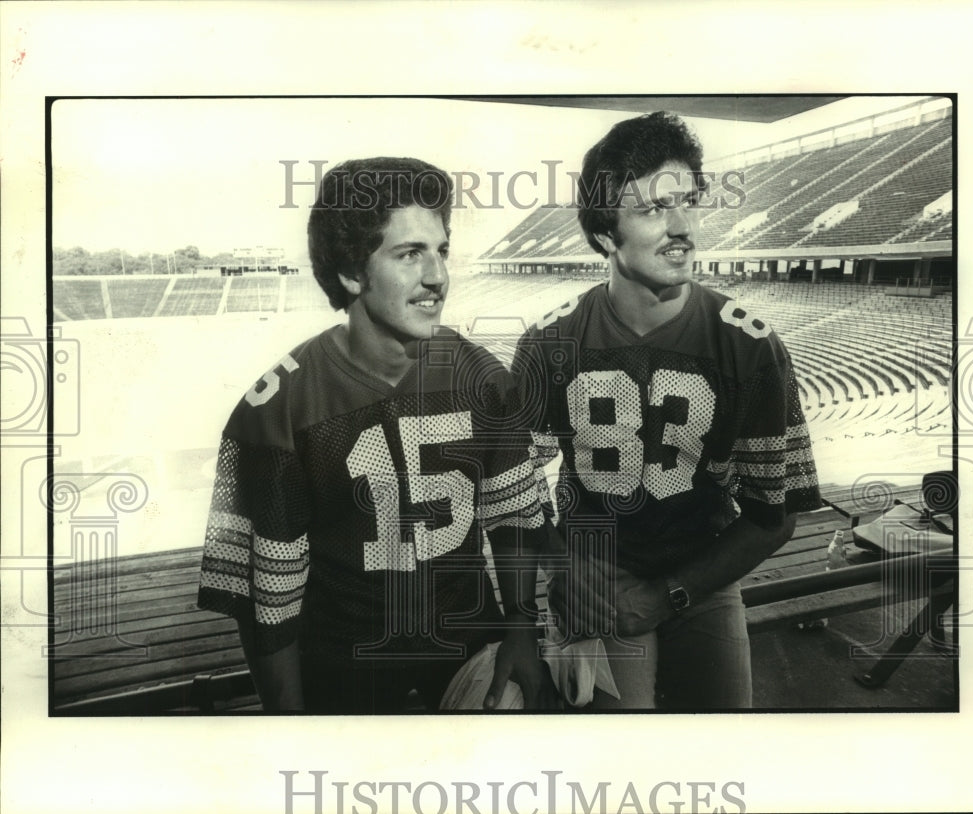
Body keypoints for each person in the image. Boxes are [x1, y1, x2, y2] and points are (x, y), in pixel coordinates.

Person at [197, 157, 556, 713]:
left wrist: (520, 633)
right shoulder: (277, 411)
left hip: (469, 647)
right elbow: (267, 601)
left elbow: (513, 521)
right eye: (410, 254)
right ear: (350, 272)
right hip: (344, 670)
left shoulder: (481, 376)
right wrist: (286, 726)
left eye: (441, 251)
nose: (436, 276)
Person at [512, 112, 823, 710]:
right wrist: (564, 565)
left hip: (704, 572)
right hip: (595, 572)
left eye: (688, 203)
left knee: (723, 736)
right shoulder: (550, 344)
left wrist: (668, 595)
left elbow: (773, 515)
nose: (683, 227)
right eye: (654, 209)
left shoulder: (749, 346)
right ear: (606, 235)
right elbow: (512, 487)